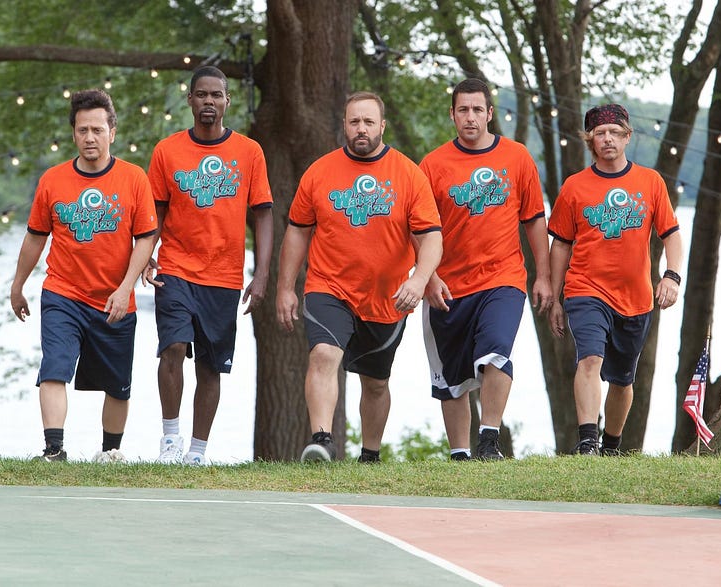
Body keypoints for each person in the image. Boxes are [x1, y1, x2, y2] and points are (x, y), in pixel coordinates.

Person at [276, 91, 443, 463]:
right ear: (345, 125)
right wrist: (285, 287)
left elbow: (431, 235)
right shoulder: (320, 172)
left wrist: (419, 279)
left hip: (387, 296)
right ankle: (322, 440)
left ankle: (370, 455)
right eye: (354, 122)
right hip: (328, 286)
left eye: (369, 121)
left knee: (376, 381)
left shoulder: (408, 174)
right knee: (323, 354)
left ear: (382, 126)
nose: (361, 129)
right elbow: (298, 230)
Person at [9, 89, 157, 463]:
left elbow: (147, 238)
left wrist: (125, 289)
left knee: (118, 386)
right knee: (53, 369)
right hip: (63, 294)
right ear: (73, 134)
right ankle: (54, 449)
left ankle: (109, 454)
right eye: (82, 130)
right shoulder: (53, 180)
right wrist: (18, 285)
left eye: (97, 129)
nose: (90, 138)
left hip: (114, 297)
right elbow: (35, 237)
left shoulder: (134, 179)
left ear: (112, 132)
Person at [143, 66, 273, 466]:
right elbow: (154, 212)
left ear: (227, 101)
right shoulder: (167, 151)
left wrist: (262, 273)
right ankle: (170, 439)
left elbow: (264, 213)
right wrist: (145, 252)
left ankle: (197, 451)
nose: (208, 103)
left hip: (225, 274)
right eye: (201, 95)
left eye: (216, 95)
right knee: (173, 347)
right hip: (177, 268)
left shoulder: (249, 152)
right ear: (190, 101)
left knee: (210, 367)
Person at [418, 78, 552, 461]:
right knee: (452, 383)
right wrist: (428, 277)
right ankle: (460, 457)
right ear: (453, 114)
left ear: (490, 114)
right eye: (463, 110)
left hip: (503, 278)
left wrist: (542, 276)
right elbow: (418, 229)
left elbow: (534, 220)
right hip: (448, 287)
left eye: (478, 110)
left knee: (496, 354)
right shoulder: (433, 165)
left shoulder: (517, 158)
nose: (471, 117)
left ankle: (489, 439)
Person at [547, 103, 683, 455]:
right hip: (586, 290)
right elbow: (560, 245)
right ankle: (588, 441)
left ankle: (611, 444)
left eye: (614, 133)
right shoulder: (575, 187)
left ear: (627, 137)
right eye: (600, 134)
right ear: (590, 140)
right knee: (589, 359)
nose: (607, 139)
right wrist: (556, 297)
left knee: (622, 379)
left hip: (636, 297)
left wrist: (671, 276)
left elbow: (671, 235)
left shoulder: (650, 182)